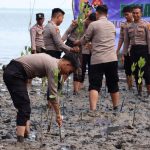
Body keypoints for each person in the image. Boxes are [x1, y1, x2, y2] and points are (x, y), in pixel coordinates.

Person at [3, 53, 79, 143]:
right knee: (24, 106)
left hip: (15, 71)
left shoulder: (53, 61)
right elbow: (52, 95)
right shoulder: (54, 67)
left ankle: (25, 132)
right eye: (69, 71)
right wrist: (58, 115)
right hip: (15, 73)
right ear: (67, 64)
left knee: (24, 105)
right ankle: (20, 141)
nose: (67, 73)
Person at [74, 5, 120, 115]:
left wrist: (77, 42)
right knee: (113, 84)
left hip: (98, 59)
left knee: (94, 85)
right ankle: (116, 107)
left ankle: (93, 110)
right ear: (107, 14)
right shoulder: (112, 25)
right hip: (112, 59)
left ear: (97, 13)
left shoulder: (93, 25)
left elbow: (85, 39)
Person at [123, 5, 150, 96]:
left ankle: (149, 91)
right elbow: (126, 41)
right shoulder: (128, 26)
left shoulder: (146, 24)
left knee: (146, 71)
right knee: (136, 71)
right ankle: (139, 91)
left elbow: (149, 39)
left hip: (144, 49)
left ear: (141, 13)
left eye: (137, 13)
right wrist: (125, 52)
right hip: (133, 50)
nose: (135, 15)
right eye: (134, 13)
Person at [116, 6, 133, 90]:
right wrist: (118, 50)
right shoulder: (123, 25)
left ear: (131, 13)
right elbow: (121, 39)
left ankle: (139, 87)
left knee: (138, 69)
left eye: (127, 14)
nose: (126, 16)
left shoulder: (138, 23)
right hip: (126, 51)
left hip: (136, 50)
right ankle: (130, 87)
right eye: (124, 15)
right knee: (127, 69)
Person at [80, 13, 96, 88]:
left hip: (92, 50)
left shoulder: (95, 25)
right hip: (84, 50)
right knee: (82, 68)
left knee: (91, 68)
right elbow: (83, 36)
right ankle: (81, 83)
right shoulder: (83, 25)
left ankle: (91, 84)